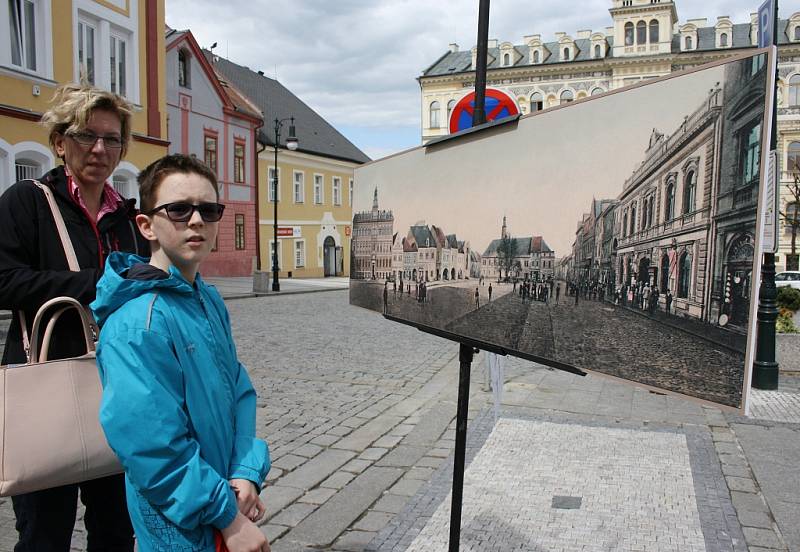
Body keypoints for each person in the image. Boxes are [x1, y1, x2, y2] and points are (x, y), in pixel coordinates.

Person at [90, 154, 271, 552]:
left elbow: (238, 389)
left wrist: (244, 473)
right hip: (178, 525)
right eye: (178, 209)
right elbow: (152, 444)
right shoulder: (138, 321)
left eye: (208, 209)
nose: (196, 221)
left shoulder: (206, 298)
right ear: (146, 225)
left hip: (223, 496)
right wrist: (227, 516)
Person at [0, 83, 150, 551]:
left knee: (115, 529)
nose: (100, 149)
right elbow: (5, 281)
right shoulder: (27, 201)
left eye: (112, 139)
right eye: (87, 136)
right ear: (60, 142)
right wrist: (96, 284)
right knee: (45, 533)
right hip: (46, 383)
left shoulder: (127, 217)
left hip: (117, 389)